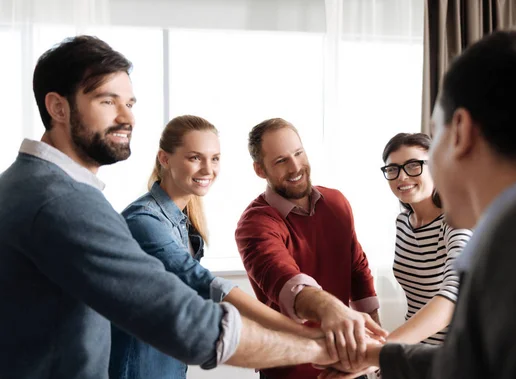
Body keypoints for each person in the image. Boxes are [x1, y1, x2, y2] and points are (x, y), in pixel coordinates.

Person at [0, 35, 339, 379]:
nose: (126, 118)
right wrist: (316, 347)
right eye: (107, 101)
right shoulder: (64, 201)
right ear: (58, 107)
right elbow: (189, 320)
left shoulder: (25, 184)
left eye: (130, 104)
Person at [319, 27, 516, 379]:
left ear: (461, 132)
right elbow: (473, 365)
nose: (404, 176)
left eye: (435, 135)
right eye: (392, 169)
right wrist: (380, 356)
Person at [110, 115, 324, 379]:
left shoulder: (184, 220)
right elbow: (203, 282)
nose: (207, 169)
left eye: (215, 158)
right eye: (194, 158)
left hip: (170, 362)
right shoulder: (143, 221)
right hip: (138, 366)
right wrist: (303, 334)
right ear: (165, 159)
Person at [235, 118, 387, 379]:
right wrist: (333, 310)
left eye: (298, 153)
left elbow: (357, 268)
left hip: (349, 357)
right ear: (260, 170)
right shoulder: (255, 223)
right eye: (281, 160)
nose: (295, 167)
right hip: (291, 366)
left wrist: (374, 339)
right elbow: (287, 281)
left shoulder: (337, 202)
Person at [380, 133, 471, 345]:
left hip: (451, 355)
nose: (402, 177)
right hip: (415, 350)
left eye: (413, 165)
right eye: (393, 169)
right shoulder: (403, 222)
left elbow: (454, 295)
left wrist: (387, 348)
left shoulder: (456, 221)